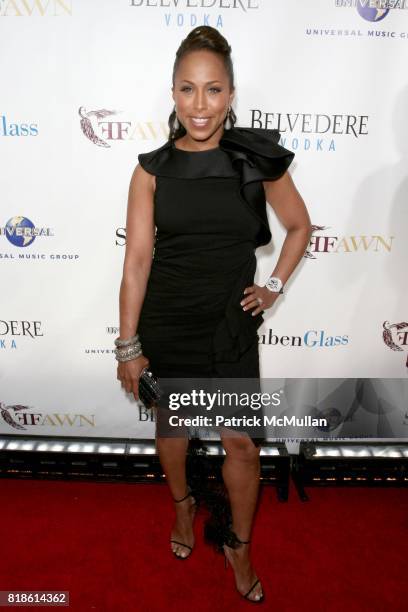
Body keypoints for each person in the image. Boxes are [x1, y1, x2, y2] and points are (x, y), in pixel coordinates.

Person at [116, 26, 312, 604]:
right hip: (168, 319)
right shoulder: (150, 169)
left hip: (229, 325)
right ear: (172, 93)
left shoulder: (256, 160)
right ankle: (183, 511)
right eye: (187, 90)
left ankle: (239, 545)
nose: (199, 105)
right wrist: (129, 346)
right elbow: (136, 261)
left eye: (213, 90)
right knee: (172, 430)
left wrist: (273, 285)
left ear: (231, 94)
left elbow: (300, 227)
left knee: (243, 445)